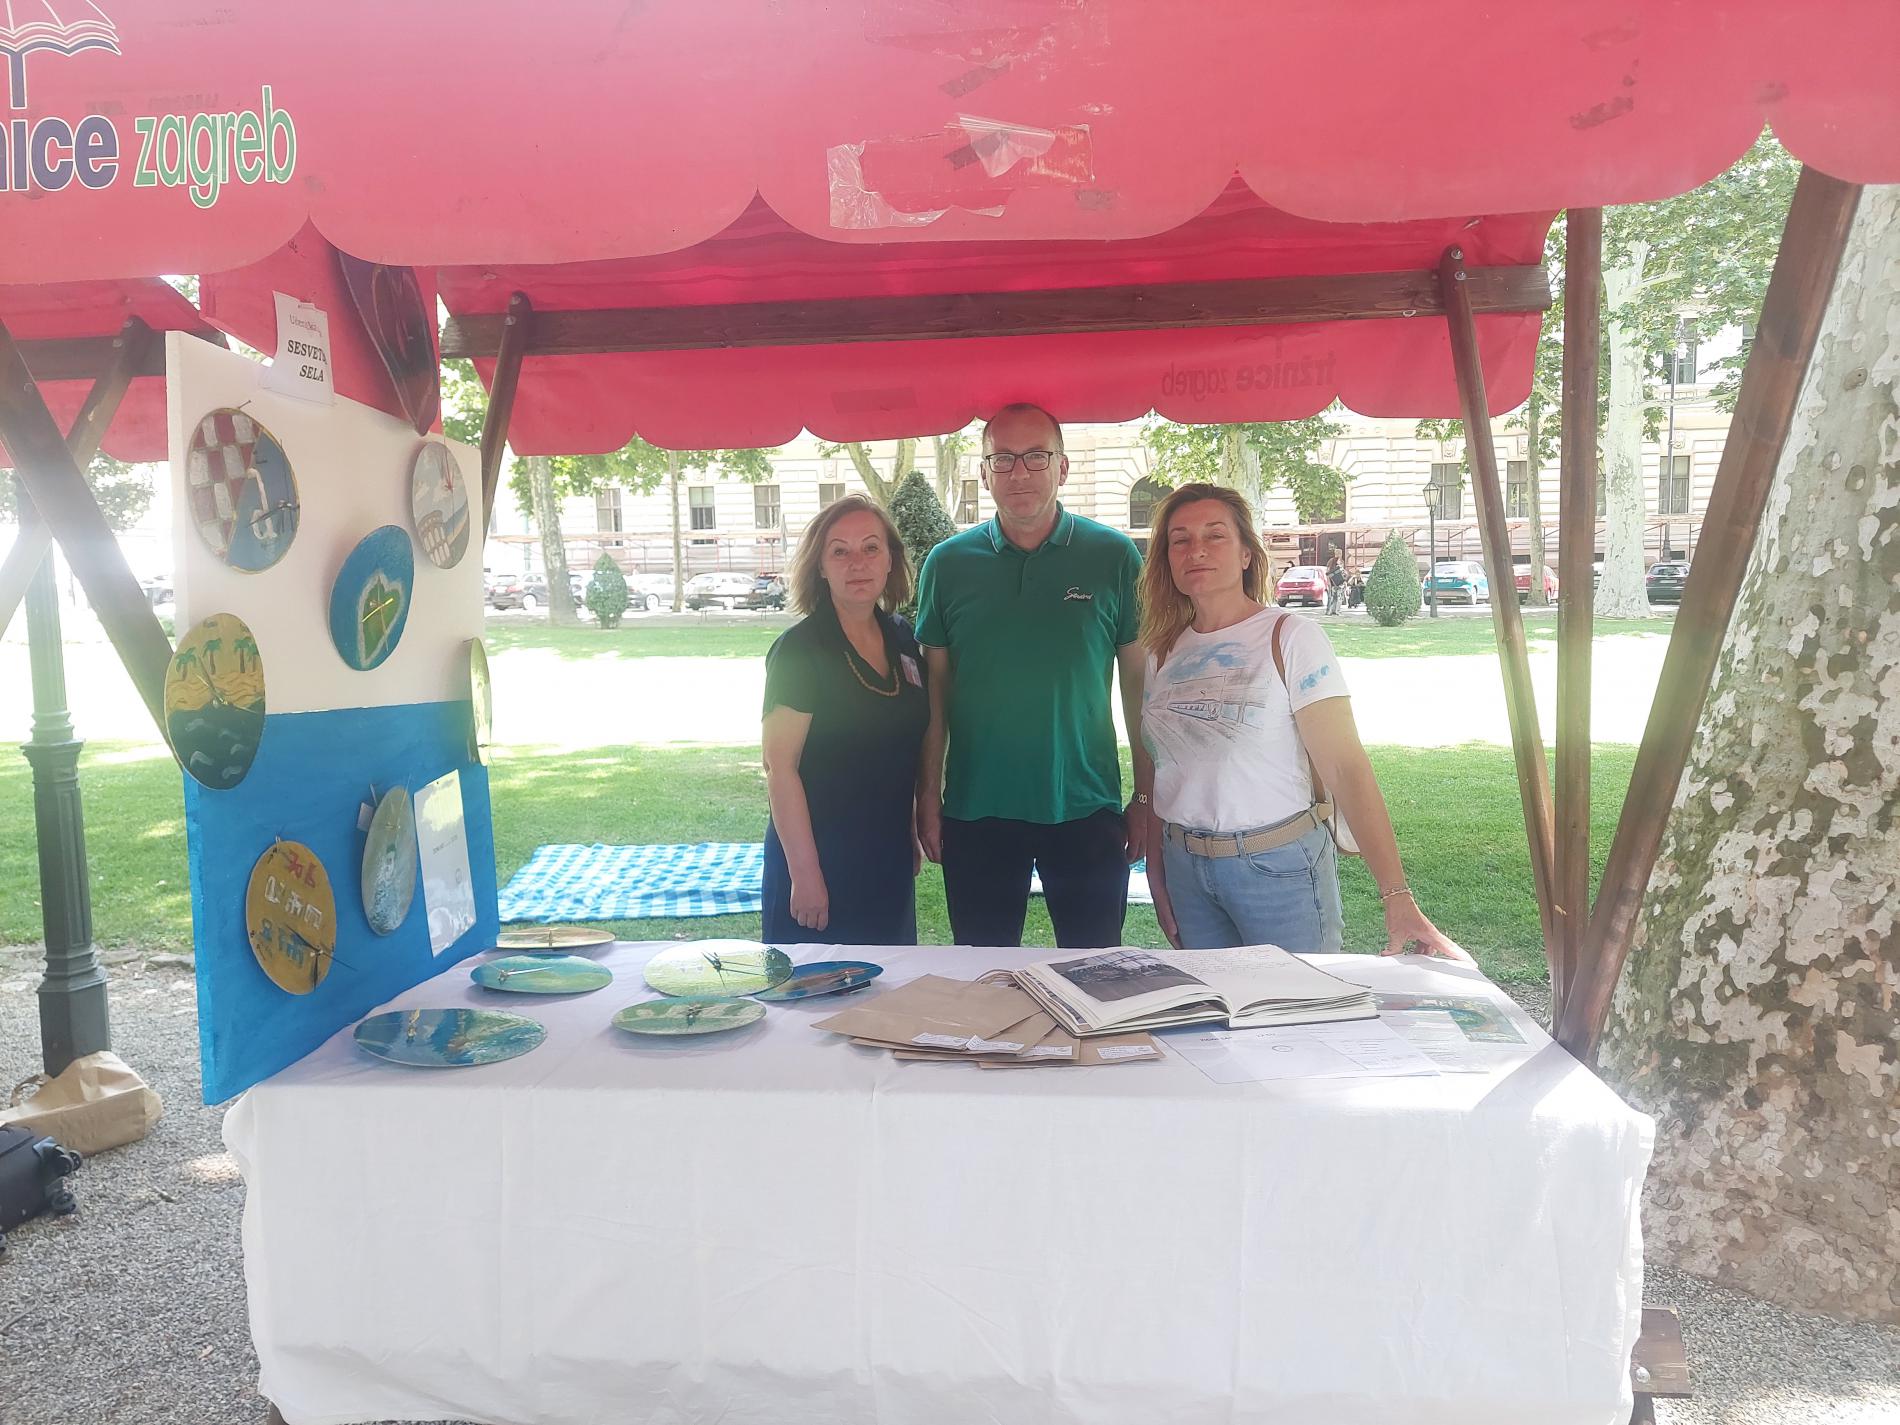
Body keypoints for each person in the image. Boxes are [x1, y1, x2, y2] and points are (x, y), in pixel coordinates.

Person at [1138, 482, 1468, 960]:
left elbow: (1346, 768)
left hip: (1277, 869)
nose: (1197, 550)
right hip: (1185, 868)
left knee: (1296, 1002)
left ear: (1247, 554)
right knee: (1214, 1007)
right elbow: (1161, 764)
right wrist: (1157, 866)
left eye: (1215, 535)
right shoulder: (1162, 650)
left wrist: (1396, 895)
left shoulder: (1291, 638)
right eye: (1180, 540)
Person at [914, 402, 1149, 949]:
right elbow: (934, 697)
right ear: (983, 473)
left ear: (1062, 467)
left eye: (1036, 457)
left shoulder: (1113, 557)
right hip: (977, 808)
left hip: (1086, 804)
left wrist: (1145, 797)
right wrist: (928, 796)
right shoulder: (947, 565)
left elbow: (1140, 689)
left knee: (1095, 971)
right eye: (1002, 459)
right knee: (984, 974)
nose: (1019, 472)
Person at [761, 494, 928, 945]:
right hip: (818, 862)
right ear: (820, 566)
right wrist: (805, 874)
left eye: (871, 547)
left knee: (891, 985)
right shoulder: (800, 650)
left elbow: (902, 747)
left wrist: (910, 828)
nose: (858, 563)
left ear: (890, 559)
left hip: (887, 859)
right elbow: (780, 768)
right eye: (840, 551)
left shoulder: (902, 638)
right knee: (816, 987)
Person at [1324, 548, 1347, 615]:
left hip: (1340, 582)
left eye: (1340, 553)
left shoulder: (1342, 561)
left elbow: (1343, 572)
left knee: (1339, 597)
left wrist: (1345, 580)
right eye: (1337, 553)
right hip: (1332, 582)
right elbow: (1328, 572)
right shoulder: (1331, 561)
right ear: (1335, 553)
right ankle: (1330, 611)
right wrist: (1328, 581)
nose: (1339, 555)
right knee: (1332, 597)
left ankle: (1337, 611)